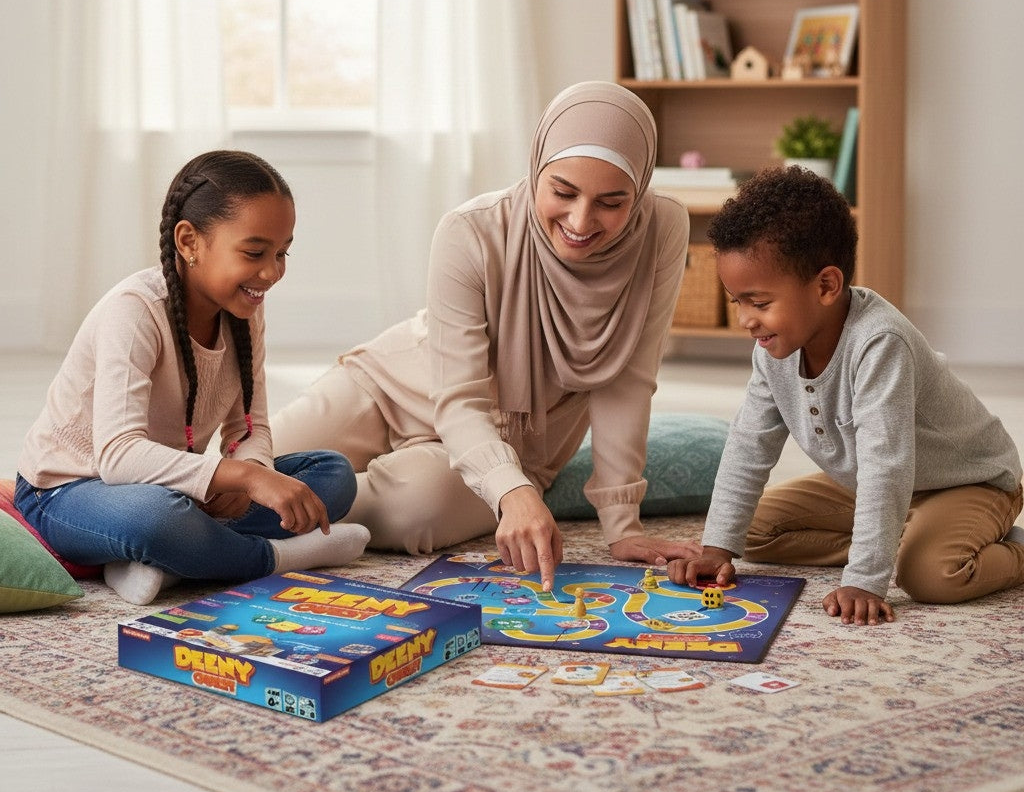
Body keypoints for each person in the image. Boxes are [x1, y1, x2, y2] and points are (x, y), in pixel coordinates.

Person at [272, 81, 702, 591]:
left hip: (516, 444)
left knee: (416, 511)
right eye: (563, 192)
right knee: (246, 464)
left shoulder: (663, 228)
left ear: (641, 187)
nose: (581, 221)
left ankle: (262, 529)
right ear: (536, 166)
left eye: (611, 202)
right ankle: (193, 527)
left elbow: (627, 379)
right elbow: (459, 398)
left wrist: (619, 523)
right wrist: (514, 498)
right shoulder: (470, 230)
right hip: (395, 387)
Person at [668, 165, 1024, 625]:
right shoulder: (773, 349)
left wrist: (864, 578)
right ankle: (896, 532)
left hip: (967, 482)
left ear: (826, 286)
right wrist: (717, 548)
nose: (745, 320)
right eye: (737, 302)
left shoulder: (880, 343)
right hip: (873, 485)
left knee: (932, 575)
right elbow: (748, 445)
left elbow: (886, 462)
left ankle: (982, 545)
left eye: (759, 303)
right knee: (753, 532)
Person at [16, 150, 370, 605]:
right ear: (189, 241)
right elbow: (118, 456)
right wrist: (237, 476)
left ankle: (164, 562)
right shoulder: (135, 311)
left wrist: (255, 473)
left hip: (168, 483)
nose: (273, 272)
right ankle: (279, 558)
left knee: (332, 475)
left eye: (283, 252)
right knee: (158, 521)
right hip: (69, 489)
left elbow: (250, 427)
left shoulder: (244, 311)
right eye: (255, 252)